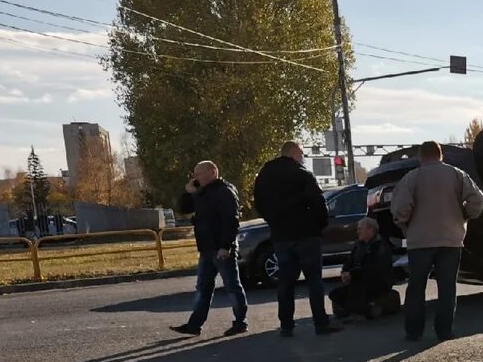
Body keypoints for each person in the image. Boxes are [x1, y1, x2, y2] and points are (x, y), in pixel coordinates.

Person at [390, 140, 483, 342]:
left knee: (416, 286)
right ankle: (444, 331)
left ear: (421, 157)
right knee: (447, 287)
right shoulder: (457, 174)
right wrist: (465, 215)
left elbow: (400, 208)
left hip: (420, 240)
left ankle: (414, 331)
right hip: (451, 239)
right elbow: (478, 200)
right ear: (441, 155)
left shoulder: (412, 178)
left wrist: (405, 225)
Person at [253, 140, 339, 337]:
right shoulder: (302, 174)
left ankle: (286, 325)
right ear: (293, 154)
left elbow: (259, 203)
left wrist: (274, 221)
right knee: (314, 281)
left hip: (281, 235)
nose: (303, 158)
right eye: (301, 154)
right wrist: (319, 224)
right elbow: (318, 202)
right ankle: (321, 323)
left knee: (286, 281)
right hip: (306, 234)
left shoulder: (265, 176)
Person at [171, 161, 248, 337]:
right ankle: (194, 325)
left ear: (212, 172)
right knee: (203, 287)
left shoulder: (224, 191)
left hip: (221, 248)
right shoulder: (202, 192)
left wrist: (226, 246)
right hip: (206, 248)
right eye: (194, 174)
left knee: (232, 285)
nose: (195, 177)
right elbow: (183, 208)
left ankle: (240, 322)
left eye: (199, 173)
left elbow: (231, 220)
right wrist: (188, 192)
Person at [328, 217, 399, 319]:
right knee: (335, 294)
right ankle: (358, 307)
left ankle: (366, 307)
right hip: (358, 279)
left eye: (360, 229)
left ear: (370, 230)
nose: (358, 232)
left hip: (377, 282)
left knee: (358, 293)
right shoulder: (358, 245)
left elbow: (372, 268)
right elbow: (349, 261)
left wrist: (352, 274)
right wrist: (345, 272)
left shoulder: (381, 246)